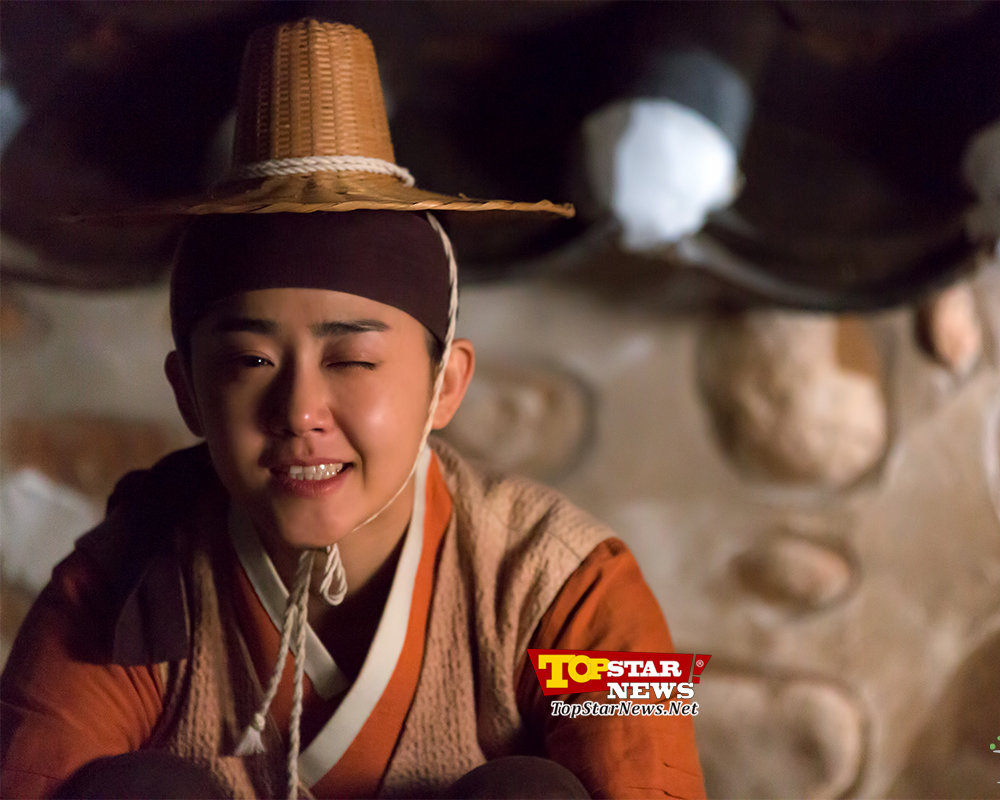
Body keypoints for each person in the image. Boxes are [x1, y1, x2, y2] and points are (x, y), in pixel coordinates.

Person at [0, 19, 705, 800]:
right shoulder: (115, 585)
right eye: (250, 361)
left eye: (352, 361)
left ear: (446, 384)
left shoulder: (573, 584)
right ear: (188, 391)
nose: (301, 410)